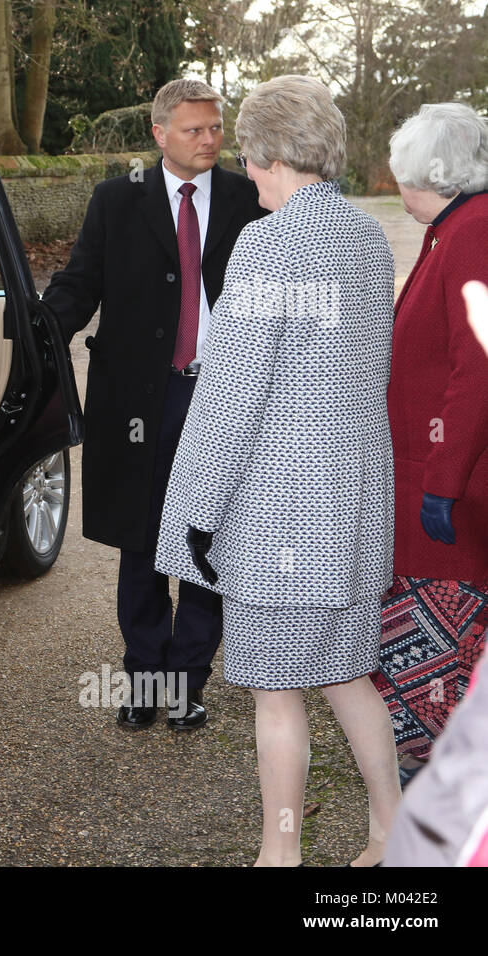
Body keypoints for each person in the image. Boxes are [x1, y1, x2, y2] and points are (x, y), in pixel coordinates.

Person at [155, 75, 401, 867]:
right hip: (356, 505)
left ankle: (278, 857)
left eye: (250, 158)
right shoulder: (367, 238)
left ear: (272, 153)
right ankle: (394, 833)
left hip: (284, 519)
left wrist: (193, 513)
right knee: (348, 676)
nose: (245, 173)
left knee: (277, 693)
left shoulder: (267, 246)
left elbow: (230, 400)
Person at [43, 78, 264, 730]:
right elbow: (80, 283)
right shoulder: (118, 200)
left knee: (207, 538)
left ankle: (189, 680)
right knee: (141, 540)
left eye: (215, 128)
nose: (209, 140)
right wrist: (32, 336)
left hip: (223, 396)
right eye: (194, 129)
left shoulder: (249, 198)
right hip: (140, 401)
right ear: (159, 132)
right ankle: (145, 677)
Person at [371, 102, 488, 787]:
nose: (397, 189)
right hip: (434, 488)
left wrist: (442, 481)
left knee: (433, 684)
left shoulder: (473, 232)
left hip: (450, 499)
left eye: (403, 177)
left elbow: (477, 368)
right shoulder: (451, 228)